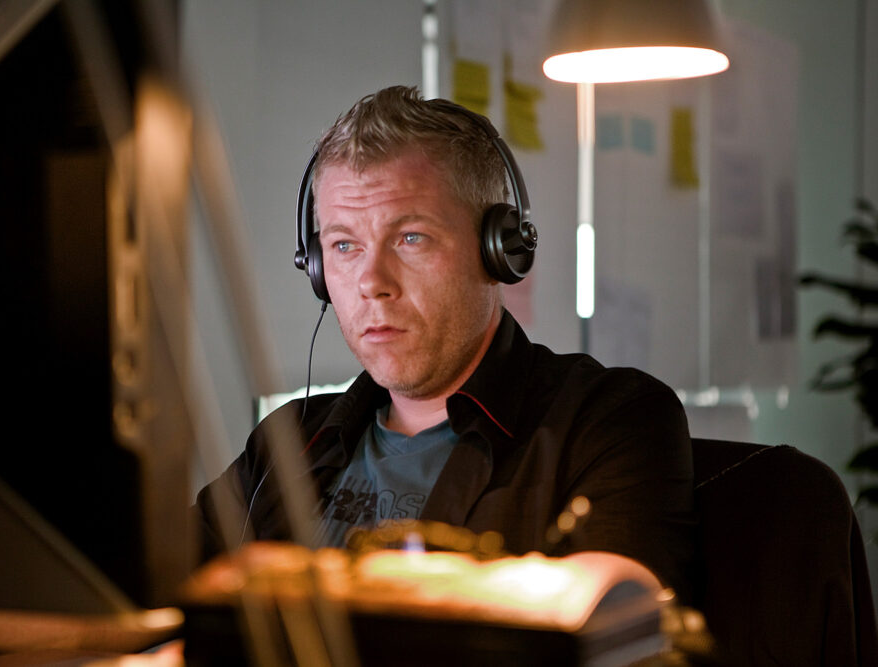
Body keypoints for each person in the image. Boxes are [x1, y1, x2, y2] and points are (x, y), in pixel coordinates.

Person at [196, 85, 695, 602]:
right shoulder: (287, 441)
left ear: (497, 251)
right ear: (318, 269)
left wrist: (342, 583)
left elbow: (617, 615)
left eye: (411, 238)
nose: (372, 281)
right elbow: (158, 582)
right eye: (344, 245)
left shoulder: (610, 421)